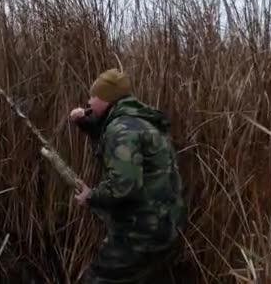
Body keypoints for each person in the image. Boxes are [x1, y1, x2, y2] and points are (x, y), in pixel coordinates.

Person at [69, 68, 187, 283]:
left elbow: (124, 185)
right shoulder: (138, 119)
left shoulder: (120, 129)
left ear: (107, 99)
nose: (88, 101)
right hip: (165, 224)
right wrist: (85, 123)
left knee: (98, 278)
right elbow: (117, 143)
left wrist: (91, 196)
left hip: (143, 231)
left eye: (93, 96)